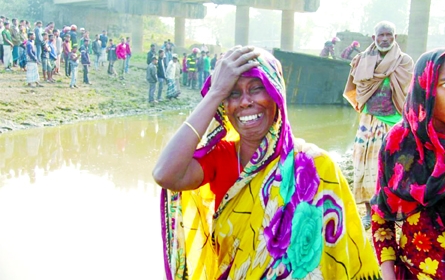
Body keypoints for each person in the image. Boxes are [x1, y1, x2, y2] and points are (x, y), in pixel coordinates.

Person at [153, 46, 381, 279]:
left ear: (276, 94)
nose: (244, 102)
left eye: (256, 89)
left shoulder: (315, 166)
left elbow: (342, 254)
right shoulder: (221, 156)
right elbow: (165, 174)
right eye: (233, 94)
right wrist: (215, 93)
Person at [371, 48, 445, 280]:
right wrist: (388, 273)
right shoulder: (399, 144)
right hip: (415, 272)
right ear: (425, 88)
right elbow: (381, 215)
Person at [343, 21, 414, 230]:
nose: (384, 39)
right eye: (380, 35)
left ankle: (394, 211)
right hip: (368, 121)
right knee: (363, 166)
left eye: (389, 35)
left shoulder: (404, 62)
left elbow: (410, 93)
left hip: (394, 122)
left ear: (395, 37)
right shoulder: (361, 60)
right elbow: (354, 89)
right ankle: (368, 212)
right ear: (374, 38)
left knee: (394, 167)